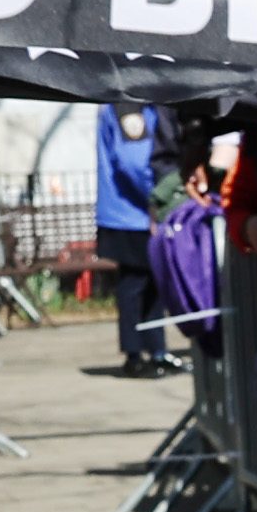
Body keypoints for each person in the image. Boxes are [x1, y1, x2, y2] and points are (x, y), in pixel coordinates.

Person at [95, 96, 170, 370]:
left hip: (135, 214)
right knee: (134, 285)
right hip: (131, 214)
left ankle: (157, 350)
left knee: (153, 284)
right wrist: (157, 200)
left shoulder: (140, 106)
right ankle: (134, 354)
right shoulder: (128, 107)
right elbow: (133, 162)